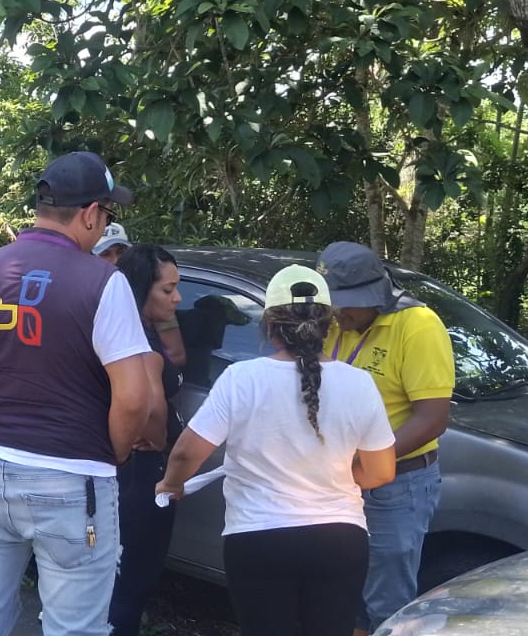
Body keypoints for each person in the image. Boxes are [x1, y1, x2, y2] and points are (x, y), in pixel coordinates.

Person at [0, 150, 157, 636]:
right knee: (74, 628)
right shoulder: (104, 282)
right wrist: (112, 451)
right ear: (90, 214)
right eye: (107, 212)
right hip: (73, 479)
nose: (104, 223)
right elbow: (135, 398)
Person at [157, 265, 396, 636]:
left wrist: (171, 484)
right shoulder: (360, 383)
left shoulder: (242, 378)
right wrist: (330, 476)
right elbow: (381, 472)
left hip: (259, 537)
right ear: (329, 324)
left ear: (269, 326)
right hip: (341, 538)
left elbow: (188, 451)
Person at [315, 242, 455, 634]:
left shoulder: (418, 325)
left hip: (395, 483)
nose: (339, 313)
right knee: (339, 591)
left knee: (385, 603)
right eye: (333, 303)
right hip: (336, 480)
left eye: (348, 304)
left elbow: (431, 419)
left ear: (375, 294)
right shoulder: (333, 322)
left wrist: (365, 463)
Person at [107, 244, 183, 636]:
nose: (177, 297)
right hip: (141, 475)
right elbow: (150, 407)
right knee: (130, 583)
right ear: (140, 290)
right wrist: (156, 436)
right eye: (167, 290)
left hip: (128, 475)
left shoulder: (125, 329)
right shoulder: (141, 343)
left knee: (119, 581)